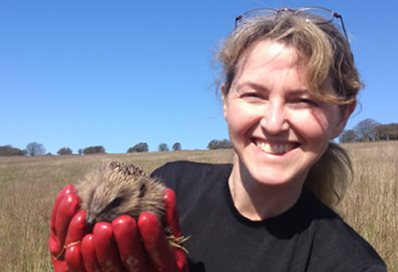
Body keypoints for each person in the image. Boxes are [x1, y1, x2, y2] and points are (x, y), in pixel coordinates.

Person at [49, 6, 387, 272]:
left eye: (304, 100)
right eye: (254, 94)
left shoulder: (349, 264)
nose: (273, 123)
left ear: (342, 116)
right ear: (226, 100)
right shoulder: (172, 185)